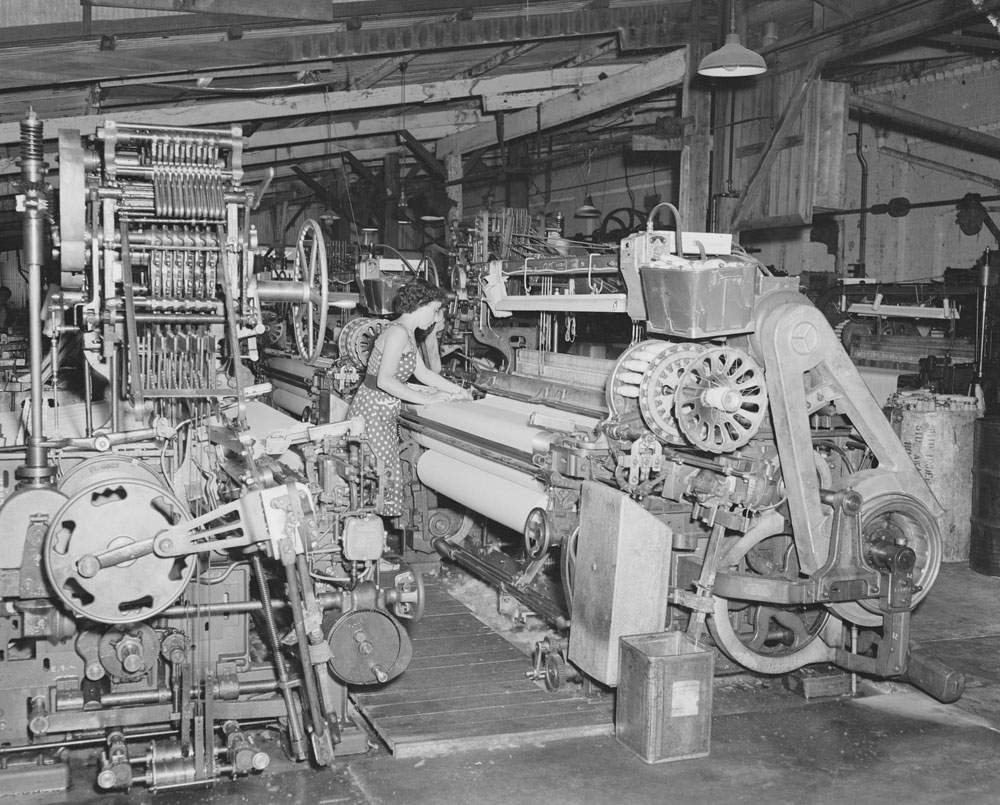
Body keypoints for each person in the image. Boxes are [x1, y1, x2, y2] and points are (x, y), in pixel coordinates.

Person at [349, 278, 471, 517]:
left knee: (380, 478)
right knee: (379, 479)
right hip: (372, 414)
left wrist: (456, 391)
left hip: (381, 412)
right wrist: (426, 399)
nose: (436, 318)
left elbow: (423, 373)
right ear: (420, 304)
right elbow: (384, 380)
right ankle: (366, 534)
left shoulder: (406, 331)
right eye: (435, 310)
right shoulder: (397, 334)